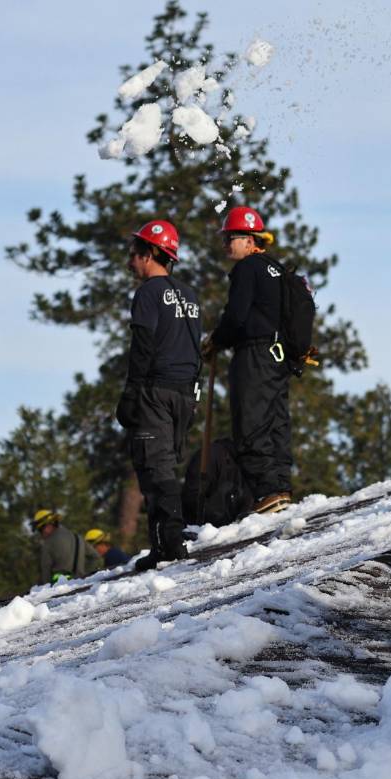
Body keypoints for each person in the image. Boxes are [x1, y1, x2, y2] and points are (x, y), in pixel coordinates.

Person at [116, 220, 202, 572]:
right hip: (185, 392)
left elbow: (143, 346)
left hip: (156, 390)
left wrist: (131, 393)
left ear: (151, 254)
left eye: (134, 254)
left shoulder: (148, 294)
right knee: (166, 463)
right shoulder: (190, 296)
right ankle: (169, 538)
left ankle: (168, 545)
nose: (130, 262)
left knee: (155, 467)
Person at [202, 206, 293, 515]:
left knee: (252, 419)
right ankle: (280, 485)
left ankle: (267, 491)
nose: (227, 244)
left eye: (232, 237)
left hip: (254, 352)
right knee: (275, 419)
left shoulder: (247, 268)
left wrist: (217, 339)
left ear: (250, 239)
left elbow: (237, 316)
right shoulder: (276, 268)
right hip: (278, 354)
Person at [32, 509, 92, 584]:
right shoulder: (78, 537)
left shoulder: (48, 543)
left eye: (40, 530)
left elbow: (46, 571)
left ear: (47, 527)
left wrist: (46, 590)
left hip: (60, 588)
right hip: (81, 583)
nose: (41, 533)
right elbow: (96, 558)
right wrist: (88, 574)